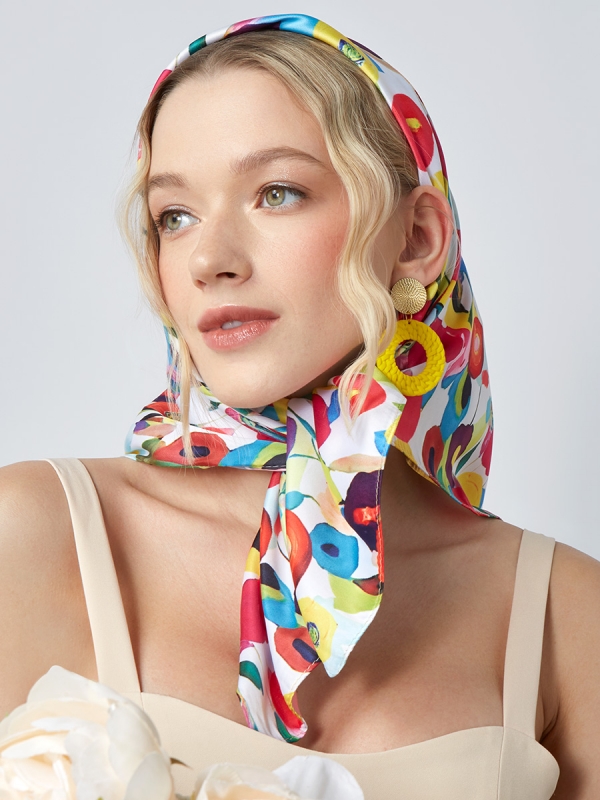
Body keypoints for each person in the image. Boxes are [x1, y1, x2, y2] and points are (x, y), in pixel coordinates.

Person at [1, 13, 598, 799]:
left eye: (276, 194)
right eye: (174, 216)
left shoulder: (563, 610)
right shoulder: (36, 533)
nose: (209, 259)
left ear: (417, 238)